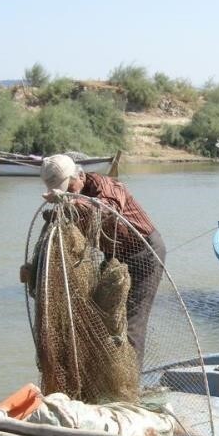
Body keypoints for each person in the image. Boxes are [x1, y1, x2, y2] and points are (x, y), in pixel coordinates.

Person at [39, 154, 166, 362]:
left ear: (79, 175)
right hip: (114, 257)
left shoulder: (106, 185)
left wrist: (70, 200)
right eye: (63, 192)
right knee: (99, 314)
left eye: (69, 188)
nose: (69, 195)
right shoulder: (72, 199)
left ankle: (130, 386)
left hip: (145, 253)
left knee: (132, 321)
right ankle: (105, 369)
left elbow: (109, 209)